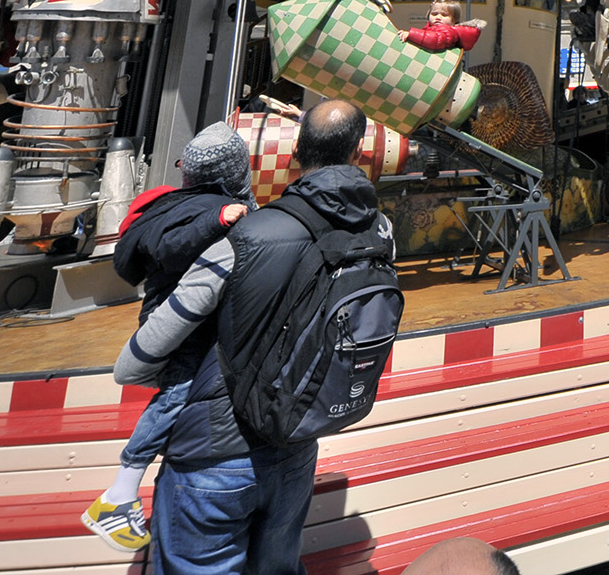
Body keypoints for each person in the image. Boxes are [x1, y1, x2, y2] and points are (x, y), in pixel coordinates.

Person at [114, 99, 395, 572]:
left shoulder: (249, 234)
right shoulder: (381, 234)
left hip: (215, 451)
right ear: (358, 154)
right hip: (298, 438)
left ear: (293, 156)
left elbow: (139, 359)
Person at [82, 123, 254, 551]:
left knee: (177, 393)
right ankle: (120, 491)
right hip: (182, 326)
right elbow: (173, 247)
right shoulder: (207, 211)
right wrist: (220, 218)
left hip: (167, 316)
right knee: (175, 395)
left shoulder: (166, 202)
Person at [405, 0, 484, 53]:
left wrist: (411, 34)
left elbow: (435, 40)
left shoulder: (449, 31)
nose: (438, 17)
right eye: (434, 14)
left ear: (454, 20)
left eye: (444, 15)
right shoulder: (429, 29)